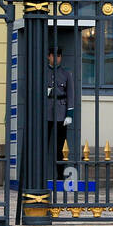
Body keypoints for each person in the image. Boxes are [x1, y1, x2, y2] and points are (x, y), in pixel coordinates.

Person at [46, 45, 76, 183]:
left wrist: (69, 113)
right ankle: (41, 174)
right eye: (54, 55)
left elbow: (70, 95)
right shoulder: (43, 72)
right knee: (42, 145)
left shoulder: (66, 74)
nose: (56, 58)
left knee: (60, 147)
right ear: (49, 56)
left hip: (61, 112)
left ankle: (59, 176)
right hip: (46, 112)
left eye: (58, 56)